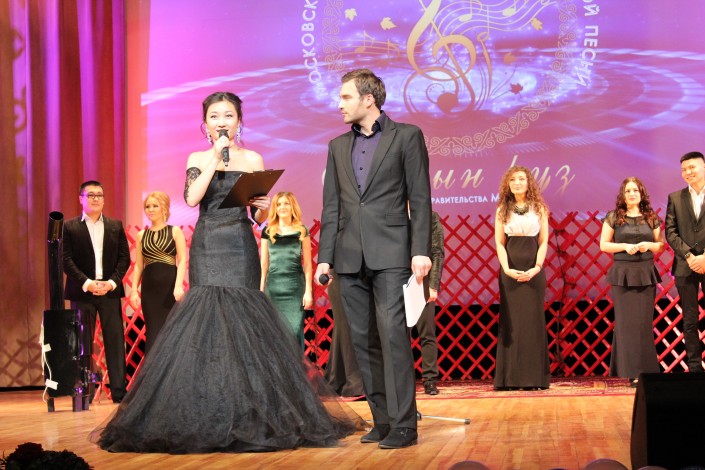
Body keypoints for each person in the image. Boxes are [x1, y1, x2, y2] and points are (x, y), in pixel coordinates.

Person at [95, 91, 360, 453]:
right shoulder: (197, 158)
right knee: (208, 320)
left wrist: (263, 208)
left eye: (229, 116)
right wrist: (214, 158)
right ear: (205, 124)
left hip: (240, 243)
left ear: (239, 121)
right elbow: (192, 199)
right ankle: (206, 409)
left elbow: (256, 216)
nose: (222, 122)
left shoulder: (253, 159)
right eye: (215, 117)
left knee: (244, 323)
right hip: (208, 243)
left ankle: (252, 411)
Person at [315, 68, 432, 449]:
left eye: (346, 97)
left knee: (393, 336)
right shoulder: (336, 146)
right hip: (349, 256)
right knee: (363, 342)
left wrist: (420, 250)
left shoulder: (407, 136)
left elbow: (420, 198)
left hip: (392, 253)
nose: (339, 104)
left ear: (369, 99)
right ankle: (381, 420)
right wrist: (324, 257)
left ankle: (404, 424)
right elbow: (332, 206)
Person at [63, 180, 130, 403]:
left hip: (109, 292)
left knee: (115, 341)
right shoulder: (70, 227)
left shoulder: (115, 226)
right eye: (90, 195)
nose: (95, 198)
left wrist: (111, 283)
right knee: (82, 343)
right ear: (81, 199)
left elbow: (124, 259)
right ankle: (84, 392)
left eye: (99, 195)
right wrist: (87, 283)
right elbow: (66, 260)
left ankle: (119, 392)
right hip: (83, 292)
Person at [600, 177, 663, 385]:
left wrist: (648, 245)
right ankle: (630, 371)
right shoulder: (614, 217)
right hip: (623, 275)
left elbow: (660, 245)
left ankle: (646, 372)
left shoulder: (651, 217)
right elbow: (604, 245)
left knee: (643, 324)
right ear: (623, 195)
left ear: (641, 193)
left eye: (635, 190)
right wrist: (625, 247)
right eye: (628, 191)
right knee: (626, 324)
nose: (632, 194)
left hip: (645, 273)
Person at [493, 166, 550, 390]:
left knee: (532, 322)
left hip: (534, 272)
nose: (517, 183)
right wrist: (506, 269)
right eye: (513, 179)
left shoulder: (539, 208)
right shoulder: (502, 210)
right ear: (508, 184)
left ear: (528, 183)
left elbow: (543, 241)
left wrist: (537, 267)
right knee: (512, 323)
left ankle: (534, 379)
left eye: (521, 179)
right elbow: (499, 243)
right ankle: (510, 379)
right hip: (510, 272)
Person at [129, 191, 187, 355]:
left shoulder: (175, 231)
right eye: (148, 206)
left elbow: (182, 260)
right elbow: (139, 266)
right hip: (149, 290)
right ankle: (153, 371)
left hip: (170, 288)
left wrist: (178, 286)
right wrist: (134, 291)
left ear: (164, 208)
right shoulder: (141, 235)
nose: (151, 209)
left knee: (170, 332)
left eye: (155, 205)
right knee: (153, 332)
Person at [665, 151, 705, 373]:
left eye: (692, 167)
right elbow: (670, 232)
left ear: (703, 167)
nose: (688, 172)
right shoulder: (675, 198)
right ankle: (695, 368)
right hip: (684, 265)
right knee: (689, 319)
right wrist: (690, 256)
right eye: (684, 169)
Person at [260, 191, 313, 348]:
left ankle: (296, 364)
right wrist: (261, 291)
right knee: (275, 334)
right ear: (275, 208)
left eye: (286, 203)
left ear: (292, 207)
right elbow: (264, 264)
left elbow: (308, 265)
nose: (282, 207)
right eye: (278, 204)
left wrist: (308, 291)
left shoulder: (302, 231)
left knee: (294, 332)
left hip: (295, 290)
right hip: (273, 290)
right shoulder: (267, 232)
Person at [414, 210, 445, 395]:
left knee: (426, 332)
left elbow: (437, 252)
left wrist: (433, 285)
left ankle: (430, 379)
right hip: (395, 281)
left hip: (422, 281)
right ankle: (401, 380)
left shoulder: (429, 216)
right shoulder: (392, 211)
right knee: (395, 334)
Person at [324, 269, 365, 398]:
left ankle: (338, 379)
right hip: (338, 276)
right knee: (344, 327)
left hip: (360, 276)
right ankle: (353, 382)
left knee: (345, 329)